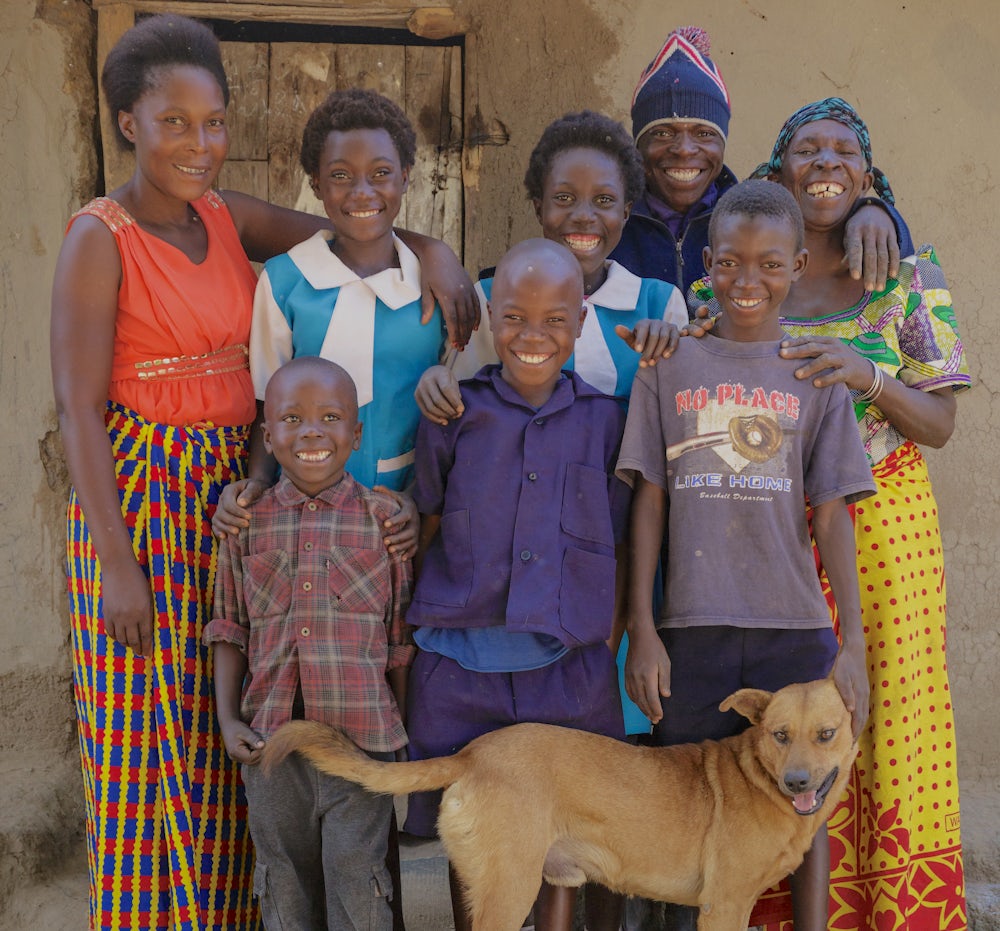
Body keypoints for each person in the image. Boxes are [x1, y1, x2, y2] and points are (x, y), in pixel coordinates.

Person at [50, 15, 471, 930]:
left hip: (232, 491)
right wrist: (116, 561)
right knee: (139, 729)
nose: (198, 144)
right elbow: (78, 406)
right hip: (141, 492)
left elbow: (353, 227)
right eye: (174, 123)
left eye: (213, 123)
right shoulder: (101, 237)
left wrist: (434, 250)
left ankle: (229, 915)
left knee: (226, 724)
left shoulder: (225, 214)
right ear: (128, 121)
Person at [692, 98, 971, 931]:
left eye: (844, 151)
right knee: (788, 723)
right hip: (772, 530)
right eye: (806, 148)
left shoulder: (910, 276)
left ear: (867, 172)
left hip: (888, 529)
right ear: (776, 171)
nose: (825, 161)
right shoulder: (733, 273)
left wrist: (865, 373)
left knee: (887, 710)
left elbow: (943, 424)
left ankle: (898, 912)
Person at [618, 180, 876, 931]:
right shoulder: (670, 364)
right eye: (730, 263)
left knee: (805, 808)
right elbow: (650, 500)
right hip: (691, 626)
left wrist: (851, 641)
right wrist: (644, 625)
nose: (747, 281)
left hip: (793, 628)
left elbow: (830, 516)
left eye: (769, 264)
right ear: (707, 264)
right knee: (674, 805)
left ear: (797, 265)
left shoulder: (816, 373)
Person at [403, 239, 631, 931]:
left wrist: (612, 641)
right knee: (465, 826)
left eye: (554, 319)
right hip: (457, 669)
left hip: (567, 672)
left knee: (565, 836)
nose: (533, 336)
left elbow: (618, 544)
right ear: (489, 318)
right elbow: (430, 519)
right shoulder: (453, 412)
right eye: (514, 317)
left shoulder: (606, 420)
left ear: (582, 321)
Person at [205, 357, 413, 930]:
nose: (312, 431)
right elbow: (228, 627)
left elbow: (398, 640)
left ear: (356, 433)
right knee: (283, 881)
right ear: (268, 436)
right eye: (291, 419)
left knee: (358, 879)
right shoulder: (247, 524)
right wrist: (228, 720)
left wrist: (402, 732)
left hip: (361, 747)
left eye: (330, 417)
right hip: (271, 747)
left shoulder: (383, 523)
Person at [213, 87, 454, 539]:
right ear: (316, 184)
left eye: (381, 173)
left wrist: (420, 501)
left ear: (406, 177)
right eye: (341, 175)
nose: (362, 192)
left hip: (402, 520)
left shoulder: (434, 286)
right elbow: (267, 402)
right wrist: (257, 487)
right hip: (302, 520)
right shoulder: (286, 281)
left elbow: (454, 413)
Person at [416, 109, 686, 425]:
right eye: (564, 197)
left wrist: (672, 347)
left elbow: (683, 417)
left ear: (626, 212)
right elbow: (460, 401)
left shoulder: (659, 305)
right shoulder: (490, 298)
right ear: (539, 208)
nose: (584, 216)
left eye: (604, 201)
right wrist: (436, 379)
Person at [610, 26, 911, 296]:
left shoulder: (750, 219)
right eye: (662, 133)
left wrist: (875, 211)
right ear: (638, 145)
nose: (685, 149)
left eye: (704, 133)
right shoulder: (610, 221)